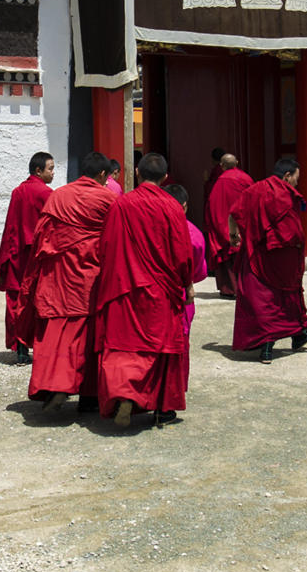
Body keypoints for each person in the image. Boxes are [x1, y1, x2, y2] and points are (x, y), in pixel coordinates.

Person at [93, 154, 194, 428]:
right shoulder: (172, 207)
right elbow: (183, 254)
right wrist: (186, 283)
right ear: (165, 177)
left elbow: (107, 247)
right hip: (162, 290)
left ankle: (125, 393)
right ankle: (163, 409)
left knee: (126, 345)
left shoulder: (121, 204)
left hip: (126, 287)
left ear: (137, 173)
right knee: (161, 346)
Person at [26, 152, 117, 413]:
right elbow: (115, 239)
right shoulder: (109, 199)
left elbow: (41, 238)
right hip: (90, 277)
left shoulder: (58, 196)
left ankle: (53, 386)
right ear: (102, 175)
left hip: (57, 278)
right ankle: (89, 397)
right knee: (89, 336)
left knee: (56, 333)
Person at [229, 156, 307, 364]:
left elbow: (234, 212)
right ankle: (295, 333)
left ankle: (272, 344)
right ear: (287, 176)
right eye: (296, 178)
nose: (297, 183)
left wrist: (234, 235)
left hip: (258, 255)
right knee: (285, 297)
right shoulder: (288, 194)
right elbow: (293, 230)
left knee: (262, 300)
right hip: (283, 258)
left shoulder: (254, 190)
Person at [0, 152, 54, 364]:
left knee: (16, 299)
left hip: (17, 254)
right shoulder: (47, 194)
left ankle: (20, 349)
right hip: (38, 255)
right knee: (38, 299)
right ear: (38, 171)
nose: (53, 173)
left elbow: (11, 225)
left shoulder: (18, 191)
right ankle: (40, 345)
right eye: (50, 169)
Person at [204, 153, 254, 299]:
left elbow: (211, 206)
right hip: (242, 227)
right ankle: (245, 288)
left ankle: (229, 289)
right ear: (237, 162)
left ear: (221, 165)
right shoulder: (246, 179)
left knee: (226, 257)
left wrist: (216, 226)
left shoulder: (218, 183)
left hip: (222, 226)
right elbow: (253, 200)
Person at [163, 183, 208, 342]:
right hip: (181, 295)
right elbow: (199, 272)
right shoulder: (194, 235)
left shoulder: (148, 229)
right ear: (184, 206)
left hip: (152, 296)